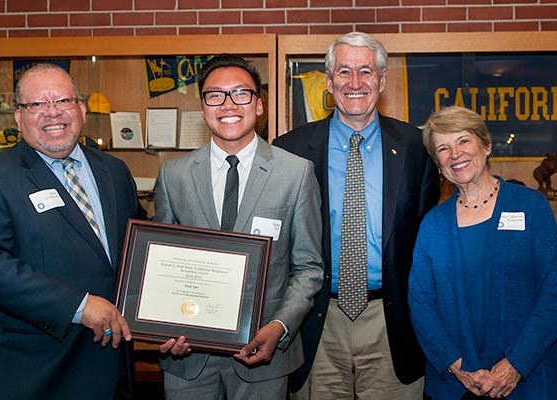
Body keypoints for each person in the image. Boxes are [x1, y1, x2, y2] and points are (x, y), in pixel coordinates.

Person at [0, 63, 146, 399]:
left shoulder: (114, 172)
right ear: (18, 117)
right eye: (37, 104)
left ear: (82, 110)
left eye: (63, 100)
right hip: (27, 373)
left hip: (107, 364)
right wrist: (79, 304)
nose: (52, 112)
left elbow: (139, 247)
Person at [273, 31, 440, 399]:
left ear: (382, 79)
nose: (355, 83)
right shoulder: (290, 150)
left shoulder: (416, 148)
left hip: (391, 322)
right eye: (343, 72)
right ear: (329, 82)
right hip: (316, 321)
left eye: (366, 71)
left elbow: (427, 240)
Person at [153, 54, 324, 400]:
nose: (228, 104)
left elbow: (309, 268)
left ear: (259, 105)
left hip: (263, 355)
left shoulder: (296, 173)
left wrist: (279, 327)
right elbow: (161, 264)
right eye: (215, 95)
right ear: (203, 107)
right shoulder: (175, 175)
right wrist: (165, 326)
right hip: (188, 358)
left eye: (241, 94)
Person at [409, 106, 557, 400]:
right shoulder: (433, 224)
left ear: (486, 145)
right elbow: (421, 301)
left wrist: (515, 364)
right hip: (455, 383)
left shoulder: (531, 207)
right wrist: (457, 364)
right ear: (438, 163)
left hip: (526, 379)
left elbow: (553, 291)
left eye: (463, 140)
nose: (455, 154)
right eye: (443, 148)